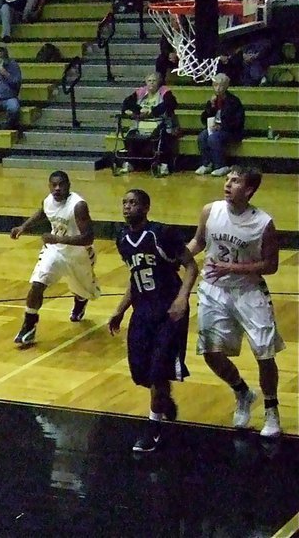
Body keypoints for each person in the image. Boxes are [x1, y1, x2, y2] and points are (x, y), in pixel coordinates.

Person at [186, 167, 283, 437]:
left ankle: (272, 409)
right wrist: (177, 257)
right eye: (227, 179)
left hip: (249, 291)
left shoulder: (263, 223)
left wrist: (233, 269)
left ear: (249, 190)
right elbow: (198, 241)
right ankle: (242, 392)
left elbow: (271, 265)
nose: (228, 184)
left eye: (235, 181)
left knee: (265, 353)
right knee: (210, 352)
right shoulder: (210, 210)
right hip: (214, 289)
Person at [109, 190, 199, 452]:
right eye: (124, 202)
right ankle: (164, 398)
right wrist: (120, 309)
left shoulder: (162, 233)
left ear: (146, 207)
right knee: (140, 372)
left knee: (158, 370)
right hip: (142, 311)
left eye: (133, 202)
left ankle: (153, 427)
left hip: (169, 312)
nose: (127, 207)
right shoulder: (122, 239)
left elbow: (191, 266)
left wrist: (182, 299)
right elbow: (135, 276)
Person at [10, 171, 102, 346]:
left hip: (79, 255)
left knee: (83, 291)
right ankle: (29, 326)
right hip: (54, 251)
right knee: (37, 284)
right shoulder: (48, 200)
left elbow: (88, 238)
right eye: (54, 185)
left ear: (69, 185)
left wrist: (58, 239)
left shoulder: (78, 205)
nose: (57, 188)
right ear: (49, 186)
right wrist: (24, 226)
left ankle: (80, 300)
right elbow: (44, 211)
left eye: (61, 185)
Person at [119, 72, 179, 175]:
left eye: (154, 81)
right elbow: (126, 103)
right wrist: (138, 110)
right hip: (142, 124)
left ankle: (162, 164)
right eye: (149, 81)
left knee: (160, 136)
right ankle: (131, 163)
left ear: (159, 82)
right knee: (130, 136)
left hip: (160, 123)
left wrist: (152, 111)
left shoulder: (164, 92)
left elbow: (170, 104)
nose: (151, 83)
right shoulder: (141, 92)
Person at [196, 73, 245, 177]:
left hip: (231, 131)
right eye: (215, 85)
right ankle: (207, 163)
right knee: (202, 136)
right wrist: (211, 107)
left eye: (220, 85)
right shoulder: (213, 100)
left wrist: (222, 126)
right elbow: (204, 119)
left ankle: (220, 165)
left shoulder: (233, 101)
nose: (217, 88)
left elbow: (238, 121)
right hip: (215, 129)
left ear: (226, 86)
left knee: (213, 139)